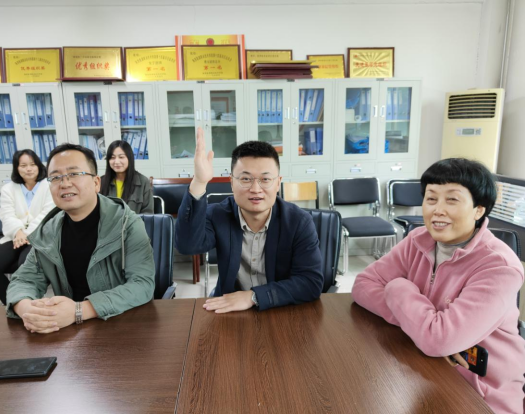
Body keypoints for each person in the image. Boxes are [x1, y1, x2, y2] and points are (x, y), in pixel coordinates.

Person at [352, 158, 525, 414]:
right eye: (431, 199)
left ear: (478, 210)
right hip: (424, 371)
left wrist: (398, 287)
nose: (437, 210)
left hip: (481, 392)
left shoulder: (499, 267)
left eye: (452, 200)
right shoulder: (418, 239)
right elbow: (363, 285)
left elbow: (438, 340)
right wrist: (423, 328)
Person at [6, 143, 155, 334]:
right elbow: (24, 280)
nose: (65, 183)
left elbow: (142, 284)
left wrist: (79, 311)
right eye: (55, 177)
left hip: (122, 325)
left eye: (74, 174)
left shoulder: (127, 223)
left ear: (96, 183)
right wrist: (28, 310)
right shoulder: (48, 231)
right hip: (69, 331)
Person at [175, 127, 323, 313]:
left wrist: (254, 296)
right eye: (245, 179)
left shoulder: (298, 221)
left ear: (278, 183)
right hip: (230, 309)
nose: (255, 189)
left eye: (265, 179)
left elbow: (310, 282)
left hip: (281, 310)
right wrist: (199, 182)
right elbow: (187, 246)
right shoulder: (218, 214)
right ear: (231, 182)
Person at [0, 149, 54, 305]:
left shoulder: (49, 186)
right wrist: (18, 232)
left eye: (32, 164)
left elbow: (47, 214)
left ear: (39, 166)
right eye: (23, 165)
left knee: (25, 266)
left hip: (39, 236)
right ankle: (14, 304)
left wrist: (26, 234)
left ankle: (30, 303)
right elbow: (6, 214)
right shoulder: (8, 189)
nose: (28, 169)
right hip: (13, 236)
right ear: (16, 168)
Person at [100, 140, 153, 214]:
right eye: (112, 157)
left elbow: (147, 213)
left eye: (121, 157)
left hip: (134, 222)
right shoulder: (101, 182)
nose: (116, 162)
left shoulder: (143, 181)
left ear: (129, 158)